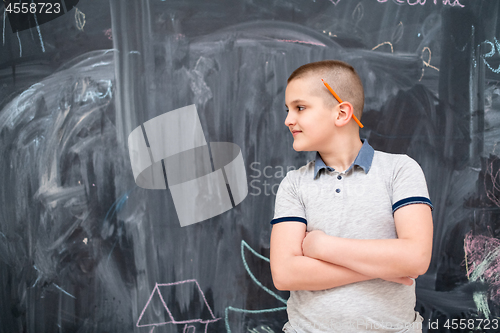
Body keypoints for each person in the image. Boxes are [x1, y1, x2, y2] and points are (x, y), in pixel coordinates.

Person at [269, 60, 434, 333]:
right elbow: (285, 273)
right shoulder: (294, 184)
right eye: (288, 110)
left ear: (342, 113)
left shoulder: (400, 170)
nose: (288, 119)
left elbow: (415, 257)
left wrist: (323, 247)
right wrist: (385, 268)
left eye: (300, 108)